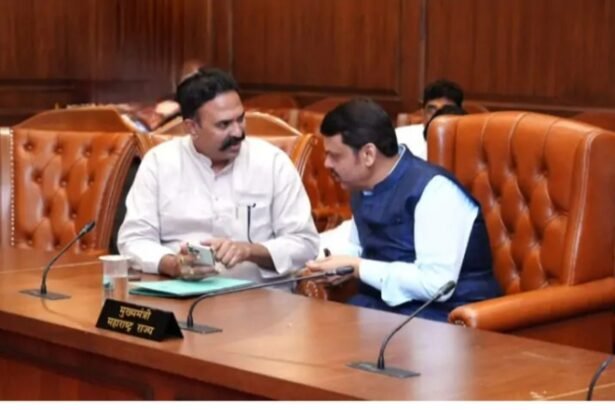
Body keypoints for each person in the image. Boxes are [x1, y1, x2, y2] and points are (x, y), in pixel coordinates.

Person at [307, 98, 500, 321]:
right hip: (383, 309)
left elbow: (436, 284)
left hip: (446, 317)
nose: (327, 164)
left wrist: (358, 267)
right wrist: (329, 265)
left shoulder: (435, 190)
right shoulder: (361, 187)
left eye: (335, 156)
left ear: (368, 154)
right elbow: (359, 248)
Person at [117, 67, 319, 281]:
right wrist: (172, 264)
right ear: (192, 127)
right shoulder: (159, 163)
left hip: (255, 291)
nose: (238, 132)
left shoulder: (272, 162)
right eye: (224, 124)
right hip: (178, 290)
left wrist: (249, 251)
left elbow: (305, 243)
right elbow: (133, 239)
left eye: (240, 119)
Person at [396, 79, 465, 160]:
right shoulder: (400, 137)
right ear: (423, 112)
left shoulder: (468, 141)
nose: (436, 116)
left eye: (445, 110)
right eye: (431, 110)